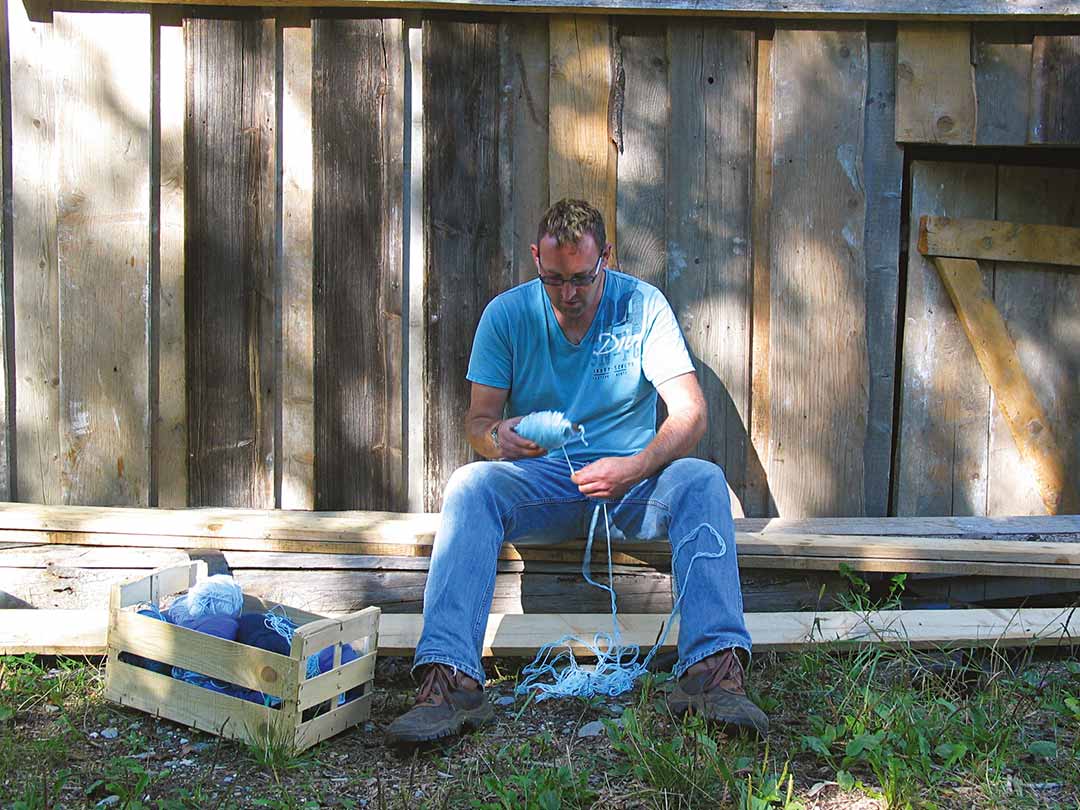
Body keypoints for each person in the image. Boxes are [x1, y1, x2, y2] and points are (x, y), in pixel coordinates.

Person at [386, 199, 767, 746]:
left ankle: (713, 674)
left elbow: (691, 412)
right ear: (536, 259)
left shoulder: (642, 305)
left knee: (703, 481)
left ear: (605, 259)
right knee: (470, 485)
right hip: (544, 482)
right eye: (554, 279)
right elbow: (478, 421)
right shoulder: (507, 315)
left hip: (632, 484)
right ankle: (451, 682)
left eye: (583, 279)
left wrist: (634, 467)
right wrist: (497, 439)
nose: (569, 294)